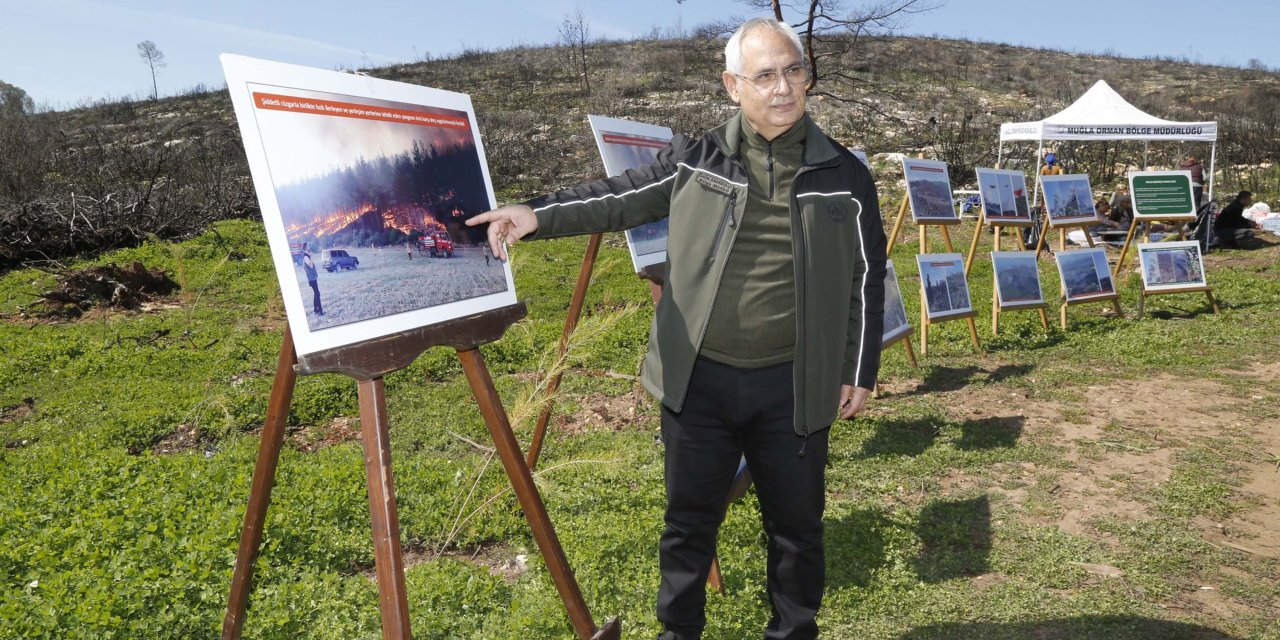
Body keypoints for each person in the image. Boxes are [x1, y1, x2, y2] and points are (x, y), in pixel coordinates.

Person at [468, 18, 885, 640]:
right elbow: (618, 195)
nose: (783, 88)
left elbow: (866, 275)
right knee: (689, 523)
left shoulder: (844, 175)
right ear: (732, 86)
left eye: (794, 71)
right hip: (701, 378)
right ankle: (678, 632)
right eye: (764, 75)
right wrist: (535, 214)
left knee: (797, 528)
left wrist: (857, 372)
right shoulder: (699, 157)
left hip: (794, 383)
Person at [301, 245, 324, 316]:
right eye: (308, 246)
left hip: (313, 278)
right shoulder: (305, 257)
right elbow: (310, 265)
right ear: (305, 248)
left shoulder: (307, 255)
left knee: (316, 293)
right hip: (311, 279)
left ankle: (315, 309)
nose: (309, 247)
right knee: (317, 294)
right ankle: (320, 311)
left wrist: (310, 255)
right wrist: (310, 256)